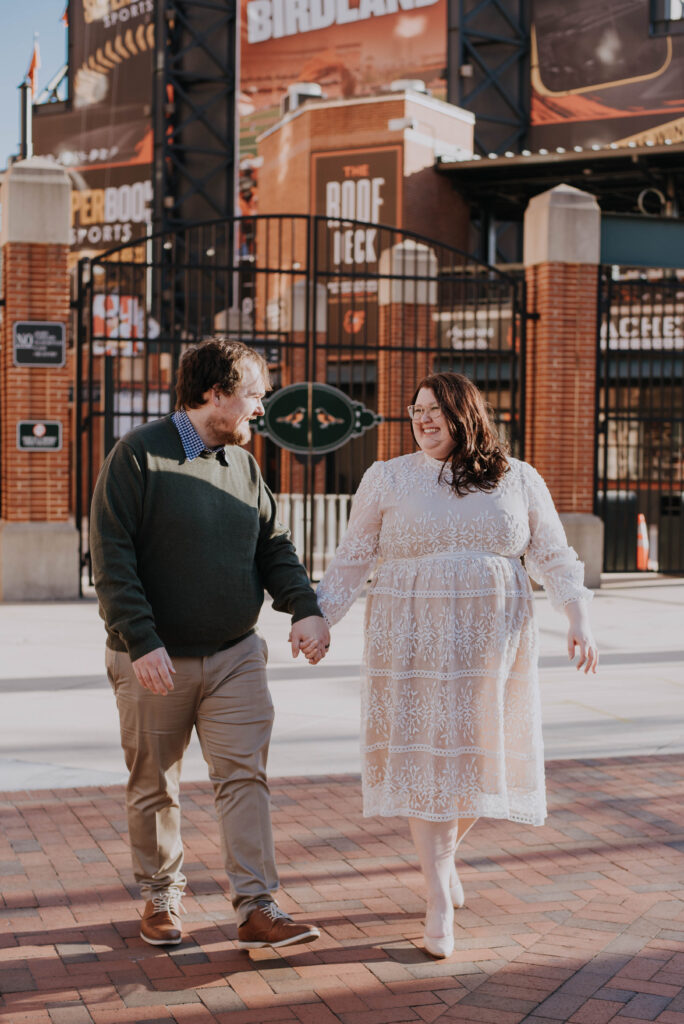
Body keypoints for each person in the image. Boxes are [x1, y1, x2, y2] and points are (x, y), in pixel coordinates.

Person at [313, 372, 598, 959]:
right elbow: (351, 558)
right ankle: (438, 894)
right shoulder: (386, 477)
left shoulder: (519, 478)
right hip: (410, 636)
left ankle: (440, 860)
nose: (422, 419)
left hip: (491, 640)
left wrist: (577, 618)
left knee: (477, 757)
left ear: (464, 413)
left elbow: (553, 554)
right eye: (415, 410)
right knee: (426, 757)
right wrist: (319, 618)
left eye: (434, 409)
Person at [90, 338, 330, 950]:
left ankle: (256, 906)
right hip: (153, 659)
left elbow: (273, 545)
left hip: (235, 655)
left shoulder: (243, 466)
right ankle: (161, 895)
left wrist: (304, 607)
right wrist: (140, 641)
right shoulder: (137, 456)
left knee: (244, 777)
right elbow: (112, 559)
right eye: (253, 393)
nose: (260, 406)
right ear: (215, 394)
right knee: (155, 783)